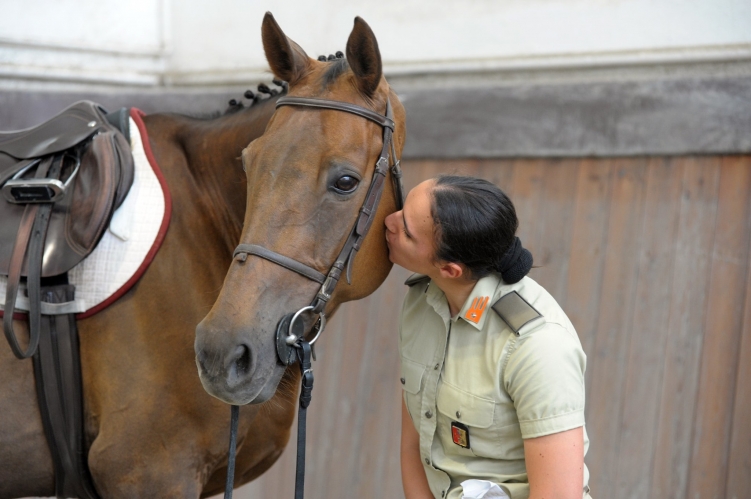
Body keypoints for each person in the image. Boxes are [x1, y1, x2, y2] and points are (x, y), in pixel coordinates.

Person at [384, 175, 591, 499]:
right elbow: (415, 448)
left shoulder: (538, 348)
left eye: (407, 231)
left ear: (450, 269)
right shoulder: (422, 303)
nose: (388, 222)